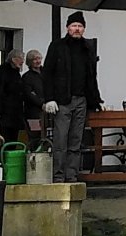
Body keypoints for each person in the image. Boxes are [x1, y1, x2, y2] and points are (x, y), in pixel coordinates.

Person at [42, 12, 99, 183]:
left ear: (84, 29)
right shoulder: (57, 46)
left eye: (80, 26)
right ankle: (58, 177)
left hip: (81, 100)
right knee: (60, 140)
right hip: (62, 101)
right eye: (74, 25)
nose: (77, 29)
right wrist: (49, 98)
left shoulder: (87, 47)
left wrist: (96, 100)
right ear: (67, 28)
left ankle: (71, 176)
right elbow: (47, 73)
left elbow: (91, 76)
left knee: (76, 141)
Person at [20, 50, 48, 146]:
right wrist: (41, 104)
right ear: (29, 62)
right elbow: (29, 94)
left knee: (48, 135)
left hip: (48, 110)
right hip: (33, 112)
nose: (37, 61)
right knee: (35, 136)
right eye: (34, 59)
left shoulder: (47, 73)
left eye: (39, 58)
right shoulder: (27, 77)